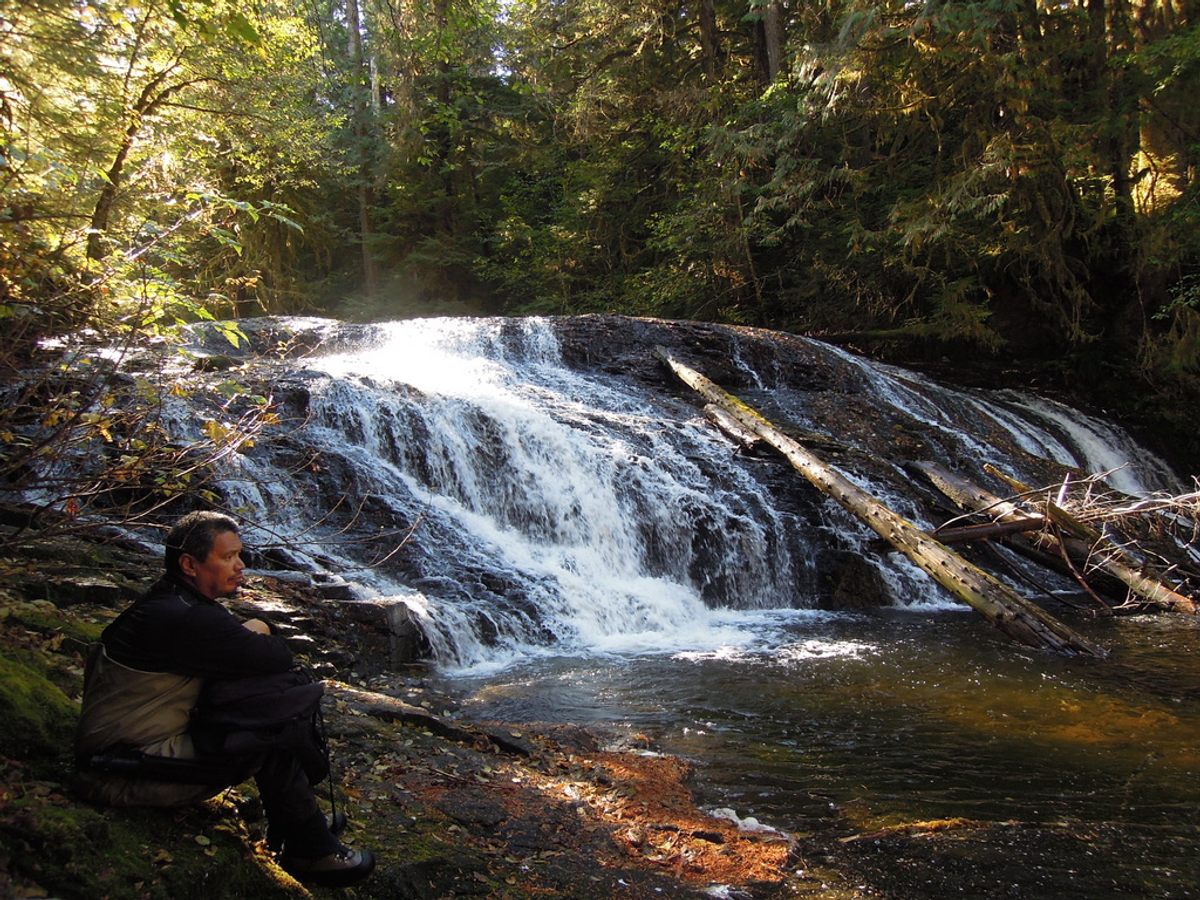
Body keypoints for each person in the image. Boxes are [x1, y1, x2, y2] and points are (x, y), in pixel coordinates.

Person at [73, 511, 376, 888]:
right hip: (118, 770)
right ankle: (311, 851)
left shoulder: (172, 602)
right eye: (228, 557)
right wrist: (261, 630)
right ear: (189, 564)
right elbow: (276, 656)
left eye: (239, 555)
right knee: (269, 738)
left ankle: (296, 820)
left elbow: (252, 651)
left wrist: (257, 633)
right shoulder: (186, 619)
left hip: (130, 753)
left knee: (263, 704)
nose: (241, 565)